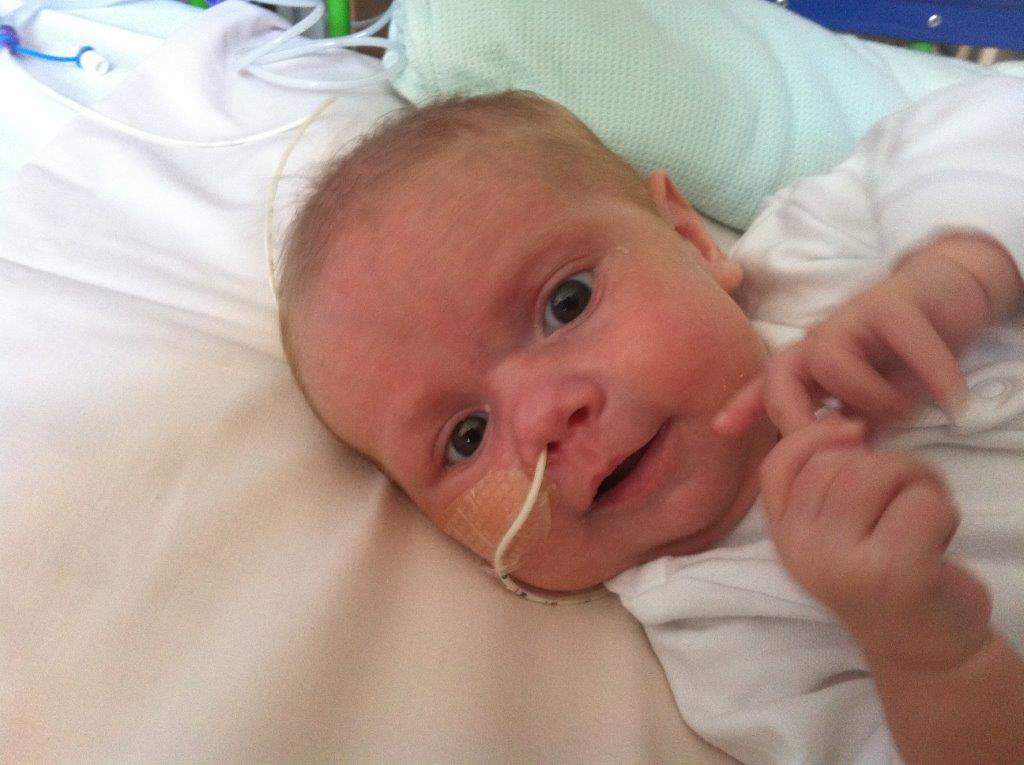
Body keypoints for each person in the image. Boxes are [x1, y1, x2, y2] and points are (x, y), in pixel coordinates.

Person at [275, 77, 1024, 763]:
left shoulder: (814, 252)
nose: (544, 418)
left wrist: (957, 269)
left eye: (565, 304)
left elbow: (992, 113)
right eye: (466, 437)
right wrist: (929, 656)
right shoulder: (728, 641)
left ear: (692, 239)